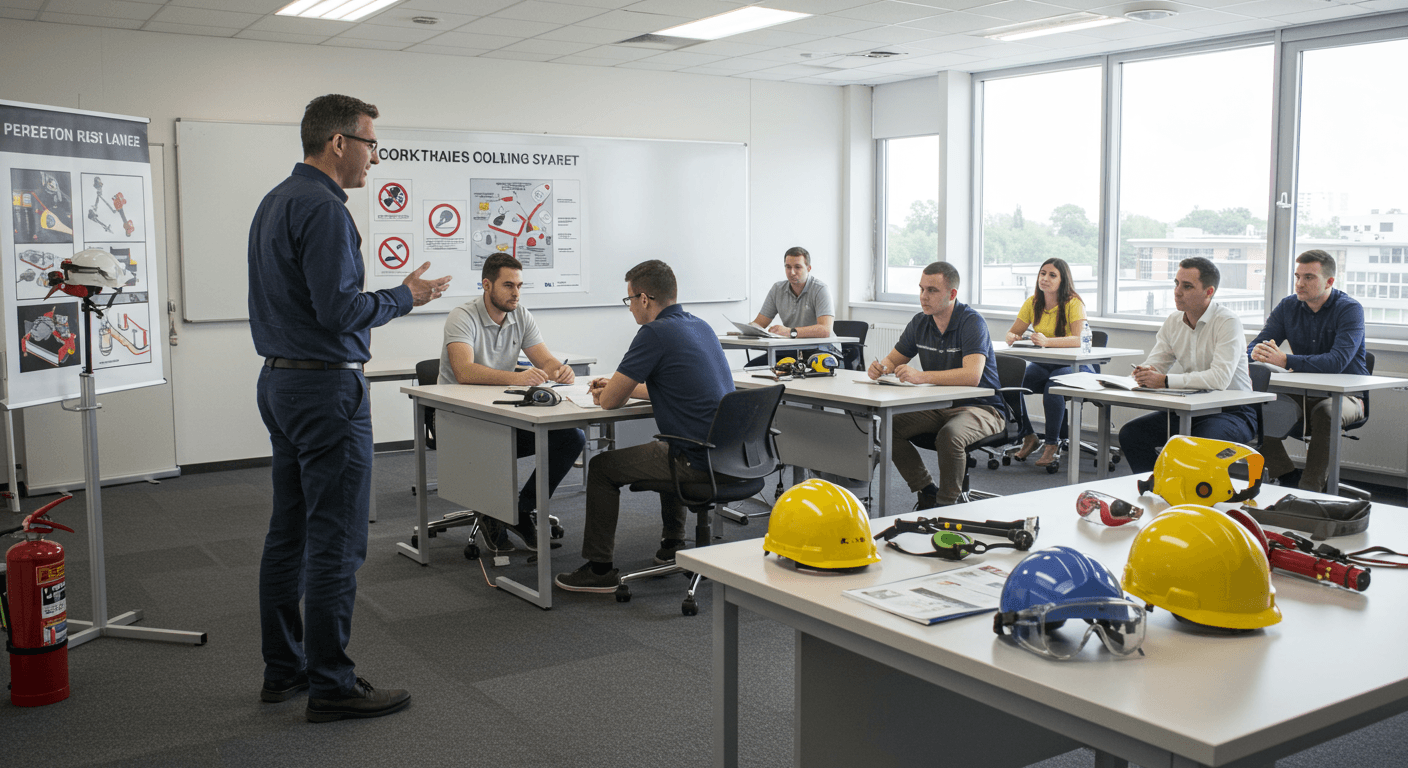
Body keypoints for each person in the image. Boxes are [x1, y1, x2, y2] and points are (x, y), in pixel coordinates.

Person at [249, 94, 450, 723]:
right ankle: (332, 683)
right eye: (370, 143)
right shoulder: (324, 210)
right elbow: (340, 312)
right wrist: (404, 296)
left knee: (290, 531)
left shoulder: (275, 200)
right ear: (339, 143)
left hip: (280, 384)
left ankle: (284, 670)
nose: (374, 158)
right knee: (336, 540)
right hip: (325, 389)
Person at [555, 260, 734, 593]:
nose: (630, 308)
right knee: (667, 445)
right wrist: (617, 386)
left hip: (696, 459)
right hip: (730, 454)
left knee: (602, 467)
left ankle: (599, 569)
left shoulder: (653, 332)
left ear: (645, 299)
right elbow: (667, 385)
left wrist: (607, 391)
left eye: (629, 301)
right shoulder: (699, 326)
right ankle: (673, 545)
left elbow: (609, 403)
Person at [438, 253, 586, 552]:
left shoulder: (521, 315)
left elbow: (545, 360)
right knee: (496, 439)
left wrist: (560, 370)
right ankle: (493, 512)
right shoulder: (462, 316)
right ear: (487, 284)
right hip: (458, 419)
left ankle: (520, 510)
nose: (516, 292)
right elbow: (464, 372)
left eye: (519, 285)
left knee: (570, 438)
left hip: (501, 413)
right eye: (508, 285)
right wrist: (516, 378)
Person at [868, 262, 1004, 510]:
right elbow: (891, 361)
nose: (923, 297)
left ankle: (946, 506)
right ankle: (927, 489)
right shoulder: (920, 322)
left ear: (952, 294)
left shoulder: (972, 322)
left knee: (949, 436)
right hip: (938, 405)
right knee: (890, 427)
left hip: (981, 407)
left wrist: (921, 376)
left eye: (932, 290)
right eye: (921, 289)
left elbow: (972, 376)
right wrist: (880, 368)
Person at [1118, 257, 1256, 474]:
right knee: (1131, 434)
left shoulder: (1227, 322)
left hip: (1232, 412)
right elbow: (1157, 363)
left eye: (1187, 286)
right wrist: (1146, 372)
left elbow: (1219, 379)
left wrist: (1163, 381)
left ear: (1208, 292)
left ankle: (1188, 499)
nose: (1177, 291)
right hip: (1189, 409)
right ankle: (1157, 490)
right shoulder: (1173, 321)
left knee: (1199, 444)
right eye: (1176, 283)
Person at [1247, 249, 1368, 491]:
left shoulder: (1350, 309)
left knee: (1327, 412)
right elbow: (1255, 345)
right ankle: (1286, 475)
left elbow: (1336, 363)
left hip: (1348, 397)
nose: (1300, 284)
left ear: (1329, 281)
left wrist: (1284, 361)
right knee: (1254, 406)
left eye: (1309, 277)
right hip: (1301, 393)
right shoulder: (1288, 306)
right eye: (1297, 276)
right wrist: (1257, 352)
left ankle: (1310, 492)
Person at [1002, 258, 1090, 468]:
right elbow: (1014, 331)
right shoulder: (1033, 303)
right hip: (1045, 365)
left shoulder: (1073, 303)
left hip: (1077, 367)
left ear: (1063, 280)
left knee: (1053, 387)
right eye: (1042, 273)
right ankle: (1029, 436)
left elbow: (1079, 339)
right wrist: (1012, 337)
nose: (1045, 278)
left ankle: (1051, 444)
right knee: (1010, 385)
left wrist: (1047, 341)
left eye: (1052, 275)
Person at [746, 246, 836, 365]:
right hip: (792, 350)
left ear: (808, 268)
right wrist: (747, 329)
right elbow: (759, 323)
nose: (792, 272)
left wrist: (790, 332)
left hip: (820, 351)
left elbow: (825, 330)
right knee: (751, 368)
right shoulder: (777, 289)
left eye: (797, 267)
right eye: (788, 267)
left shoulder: (820, 289)